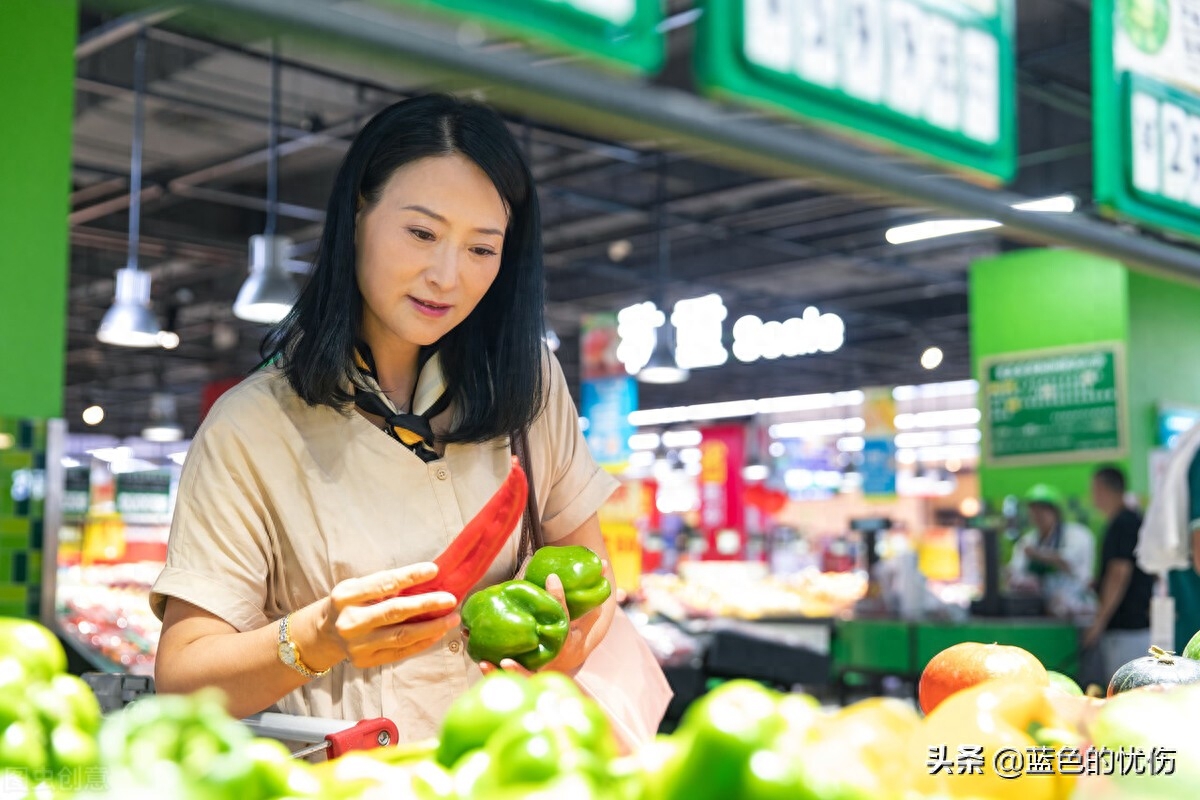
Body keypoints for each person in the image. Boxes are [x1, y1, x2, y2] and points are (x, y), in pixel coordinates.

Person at [149, 94, 623, 742]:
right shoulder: (253, 427)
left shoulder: (528, 388)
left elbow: (592, 577)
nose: (446, 276)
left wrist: (566, 651)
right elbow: (182, 677)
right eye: (421, 233)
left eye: (482, 249)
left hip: (507, 773)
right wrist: (317, 637)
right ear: (356, 215)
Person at [1082, 466, 1153, 678]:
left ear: (1103, 489)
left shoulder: (1123, 523)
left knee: (1125, 691)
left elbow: (1119, 573)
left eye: (1093, 490)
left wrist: (1098, 622)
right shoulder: (1129, 520)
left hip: (1127, 628)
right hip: (1129, 627)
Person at [1007, 483, 1096, 621]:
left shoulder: (1078, 535)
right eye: (1034, 510)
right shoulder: (1027, 540)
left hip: (1076, 611)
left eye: (1043, 510)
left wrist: (1039, 555)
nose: (1038, 515)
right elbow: (1015, 571)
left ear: (1056, 511)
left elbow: (1068, 562)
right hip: (1040, 612)